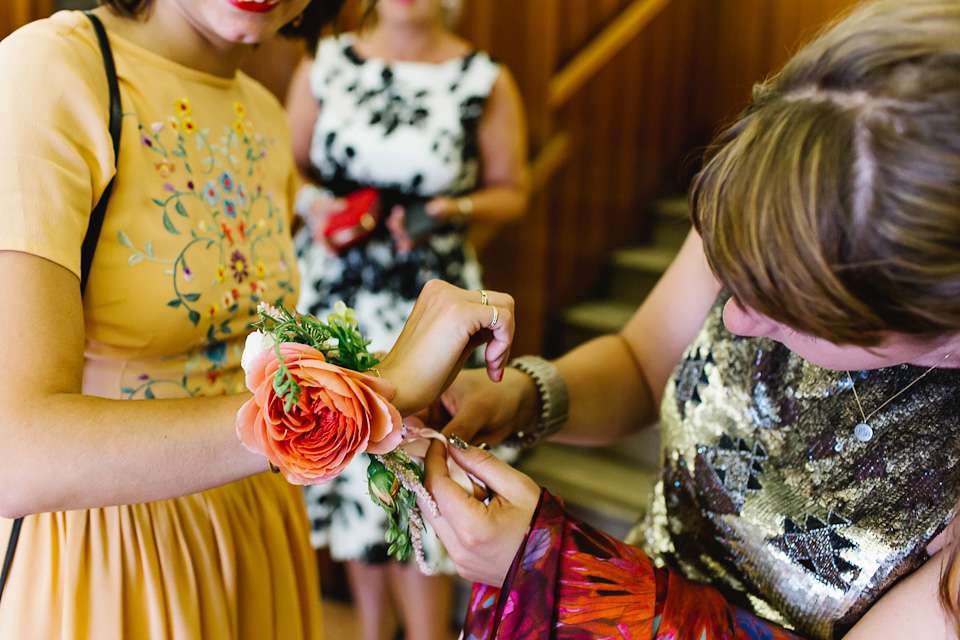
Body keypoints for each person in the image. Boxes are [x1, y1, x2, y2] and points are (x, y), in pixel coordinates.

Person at [419, 0, 960, 638]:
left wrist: (568, 574)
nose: (733, 319)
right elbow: (645, 365)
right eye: (730, 275)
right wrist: (526, 397)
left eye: (785, 312)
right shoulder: (779, 199)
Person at [0, 0, 516, 637]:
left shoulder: (265, 114)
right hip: (110, 555)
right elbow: (14, 454)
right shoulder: (54, 71)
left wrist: (391, 402)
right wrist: (360, 397)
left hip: (259, 529)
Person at [284, 0, 529, 638]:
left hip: (430, 298)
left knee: (420, 467)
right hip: (335, 297)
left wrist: (451, 208)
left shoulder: (484, 78)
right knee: (345, 458)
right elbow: (288, 168)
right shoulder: (325, 60)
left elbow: (513, 189)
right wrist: (318, 210)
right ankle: (369, 629)